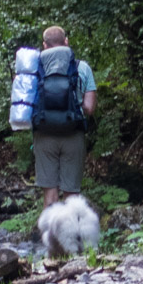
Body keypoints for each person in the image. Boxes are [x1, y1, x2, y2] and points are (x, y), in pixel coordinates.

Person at [30, 25, 97, 205]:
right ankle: (70, 233)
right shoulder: (81, 67)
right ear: (66, 42)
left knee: (50, 196)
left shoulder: (34, 69)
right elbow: (90, 108)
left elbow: (26, 105)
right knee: (71, 195)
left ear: (44, 45)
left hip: (44, 135)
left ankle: (51, 234)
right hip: (73, 134)